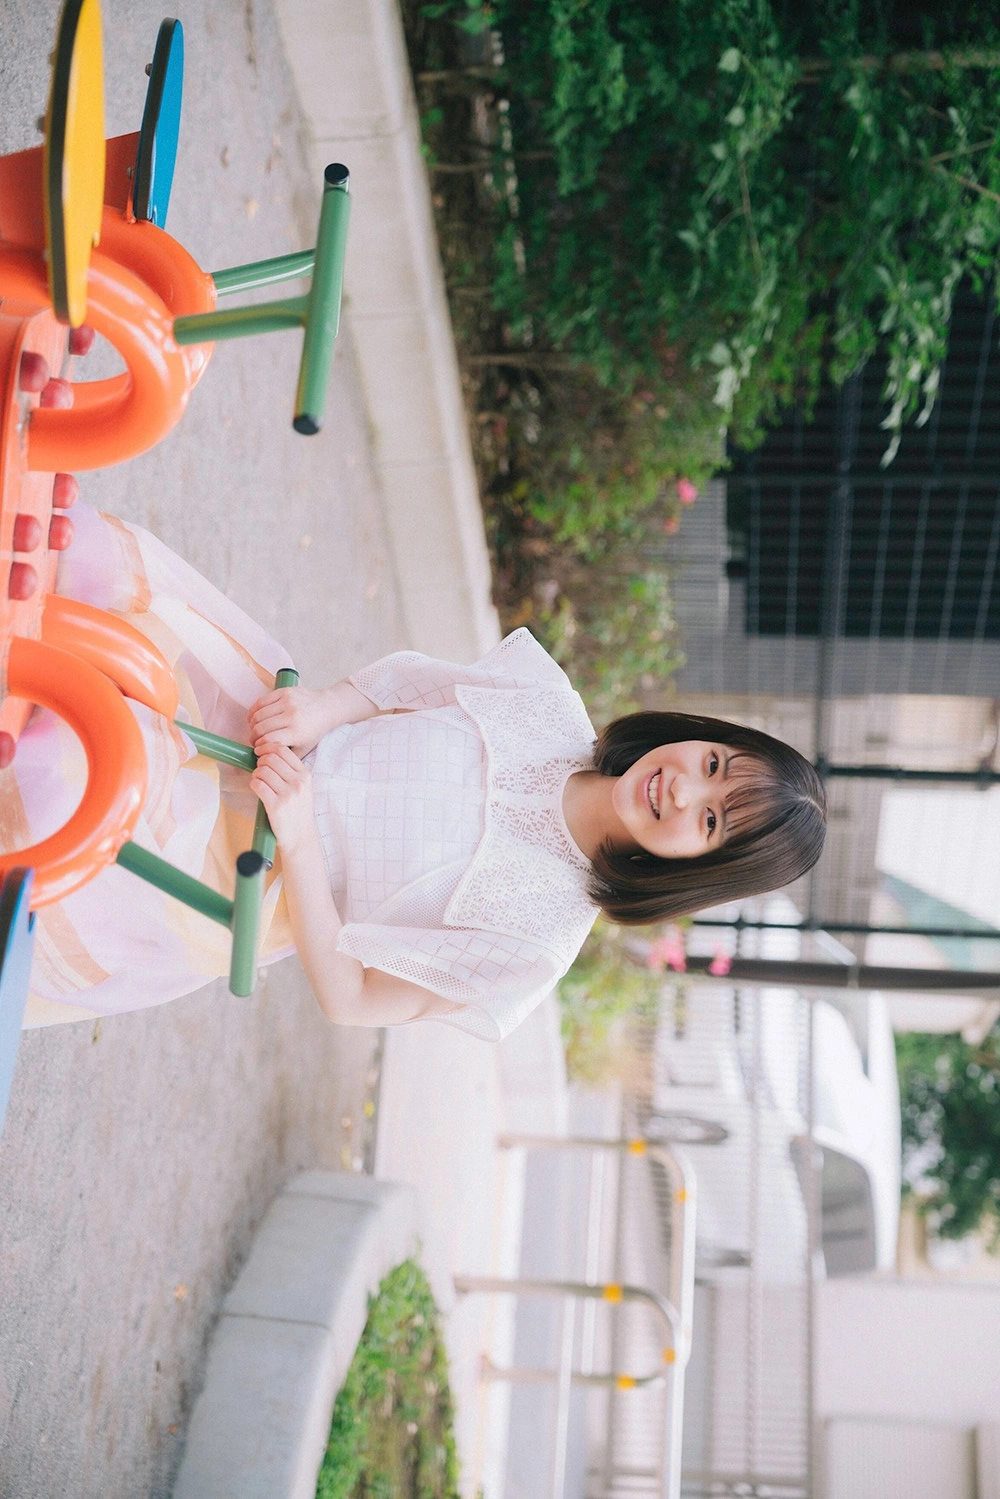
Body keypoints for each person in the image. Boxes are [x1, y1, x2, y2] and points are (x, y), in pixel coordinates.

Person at [6, 504, 826, 1036]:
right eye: (712, 762)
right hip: (259, 724)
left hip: (236, 870)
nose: (682, 787)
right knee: (90, 578)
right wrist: (322, 708)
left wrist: (299, 839)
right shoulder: (549, 704)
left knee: (60, 784)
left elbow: (354, 998)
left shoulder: (535, 945)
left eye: (710, 820)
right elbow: (409, 681)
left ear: (696, 869)